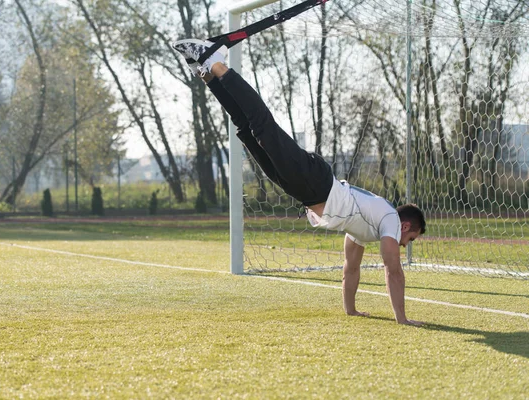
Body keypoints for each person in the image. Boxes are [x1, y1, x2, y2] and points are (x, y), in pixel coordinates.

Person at [172, 39, 426, 326]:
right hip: (315, 180)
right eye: (411, 239)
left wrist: (351, 310)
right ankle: (217, 63)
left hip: (303, 190)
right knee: (262, 126)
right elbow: (393, 270)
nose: (406, 245)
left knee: (246, 130)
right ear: (406, 226)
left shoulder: (364, 227)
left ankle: (205, 72)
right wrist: (402, 319)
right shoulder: (390, 218)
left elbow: (350, 269)